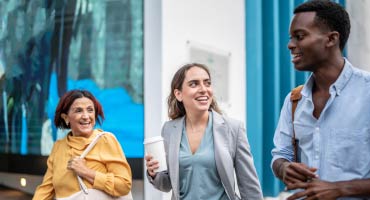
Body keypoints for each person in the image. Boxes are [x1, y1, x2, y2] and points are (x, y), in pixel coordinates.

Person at [271, 1, 370, 199]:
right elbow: (280, 155)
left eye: (299, 36)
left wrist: (340, 188)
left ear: (331, 39)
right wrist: (283, 167)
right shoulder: (294, 100)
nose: (290, 45)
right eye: (291, 38)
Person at [145, 63, 263, 200]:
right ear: (178, 94)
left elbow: (249, 186)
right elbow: (166, 185)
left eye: (207, 83)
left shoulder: (233, 129)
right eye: (194, 84)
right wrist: (154, 173)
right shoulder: (169, 130)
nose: (203, 89)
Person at [33, 89, 132, 199]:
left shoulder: (106, 140)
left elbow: (124, 185)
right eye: (78, 111)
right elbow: (45, 190)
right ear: (66, 118)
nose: (86, 116)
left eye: (90, 110)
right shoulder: (59, 147)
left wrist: (87, 172)